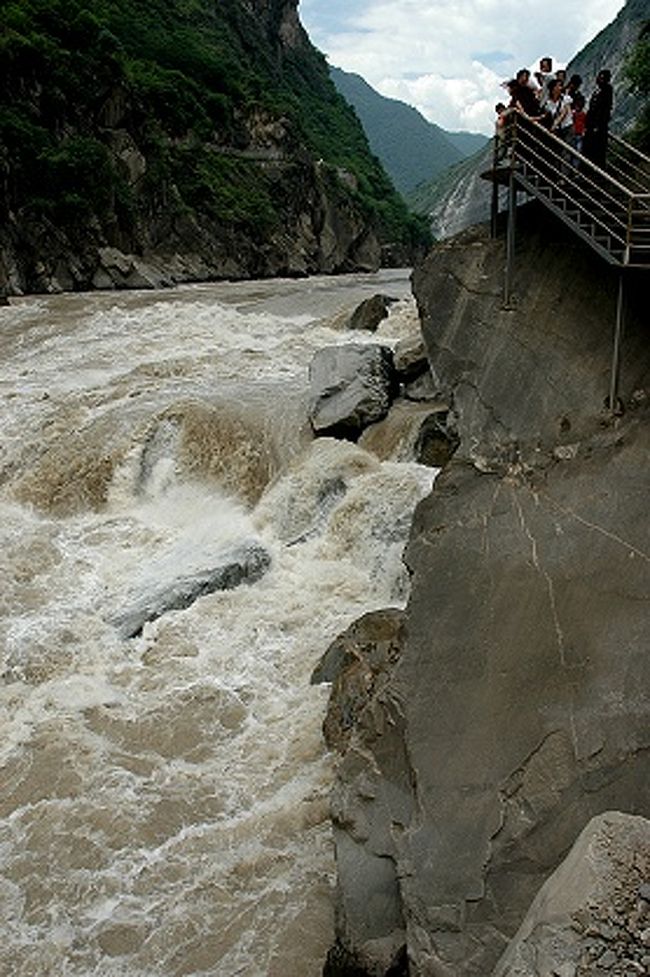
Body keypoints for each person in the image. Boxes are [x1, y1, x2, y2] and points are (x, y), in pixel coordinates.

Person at [583, 69, 613, 167]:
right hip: (591, 125)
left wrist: (598, 125)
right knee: (589, 150)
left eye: (602, 78)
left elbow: (604, 109)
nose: (599, 80)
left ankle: (598, 173)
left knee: (598, 151)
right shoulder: (596, 91)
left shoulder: (607, 90)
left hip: (599, 127)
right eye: (599, 77)